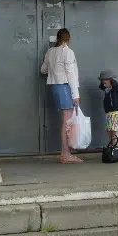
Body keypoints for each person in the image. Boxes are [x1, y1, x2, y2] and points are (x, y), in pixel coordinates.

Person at [40, 28, 83, 164]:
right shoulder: (67, 52)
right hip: (65, 87)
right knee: (67, 121)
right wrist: (76, 94)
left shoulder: (50, 51)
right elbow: (71, 74)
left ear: (58, 38)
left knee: (66, 121)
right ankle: (66, 154)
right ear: (68, 39)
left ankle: (66, 153)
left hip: (55, 87)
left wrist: (54, 70)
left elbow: (43, 70)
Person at [99, 70, 118, 144]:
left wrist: (111, 79)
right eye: (103, 82)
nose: (104, 84)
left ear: (110, 80)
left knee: (114, 132)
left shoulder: (116, 88)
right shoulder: (107, 89)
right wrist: (104, 81)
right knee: (110, 132)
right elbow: (100, 86)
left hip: (115, 113)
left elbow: (115, 84)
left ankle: (117, 148)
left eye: (105, 82)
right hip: (108, 113)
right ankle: (113, 147)